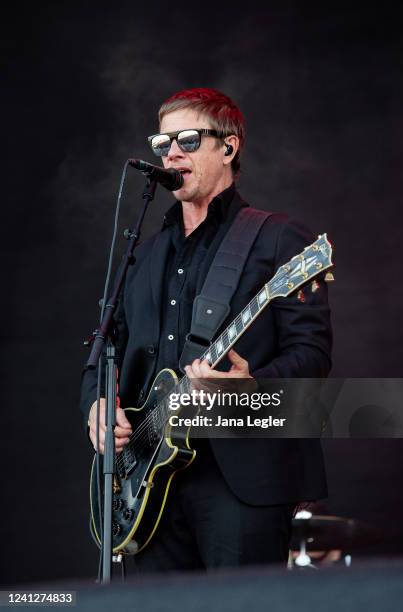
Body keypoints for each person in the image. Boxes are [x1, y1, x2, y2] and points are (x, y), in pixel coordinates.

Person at [80, 87, 332, 571]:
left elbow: (313, 356)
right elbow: (102, 349)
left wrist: (252, 387)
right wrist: (96, 405)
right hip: (146, 489)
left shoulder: (279, 238)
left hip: (241, 479)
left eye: (189, 139)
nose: (172, 152)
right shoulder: (144, 253)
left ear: (229, 147)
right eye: (163, 143)